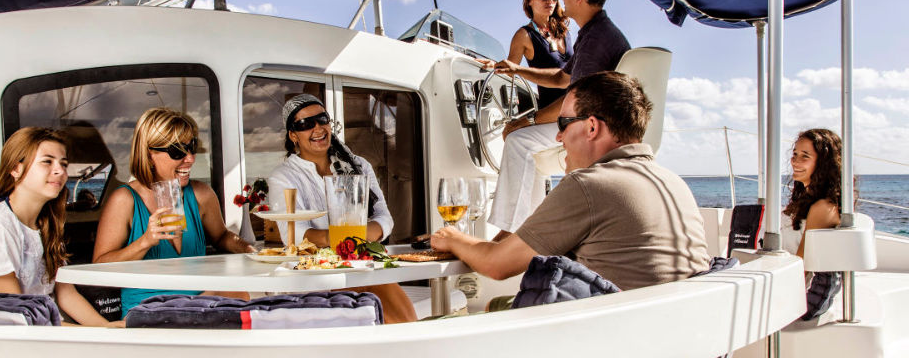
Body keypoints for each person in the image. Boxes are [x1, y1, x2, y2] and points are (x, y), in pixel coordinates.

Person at [431, 72, 710, 292]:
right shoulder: (674, 183)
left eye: (563, 124)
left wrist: (452, 238)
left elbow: (496, 265)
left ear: (591, 127)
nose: (558, 137)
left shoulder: (590, 185)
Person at [481, 0, 632, 237]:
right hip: (599, 121)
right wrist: (515, 70)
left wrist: (525, 121)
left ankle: (509, 230)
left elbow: (576, 99)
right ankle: (534, 226)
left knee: (518, 141)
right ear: (530, 1)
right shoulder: (595, 32)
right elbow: (563, 76)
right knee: (528, 147)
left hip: (589, 125)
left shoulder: (593, 38)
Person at [267, 93, 417, 323]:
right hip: (313, 274)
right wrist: (348, 238)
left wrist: (350, 241)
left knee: (403, 318)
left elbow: (384, 218)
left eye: (322, 119)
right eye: (305, 124)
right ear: (293, 135)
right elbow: (296, 236)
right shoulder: (283, 177)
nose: (317, 128)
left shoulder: (359, 166)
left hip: (359, 265)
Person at [93, 107, 255, 317]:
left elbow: (222, 236)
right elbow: (99, 267)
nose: (190, 159)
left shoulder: (201, 194)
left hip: (199, 302)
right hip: (148, 309)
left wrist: (253, 252)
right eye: (177, 151)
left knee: (240, 294)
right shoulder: (124, 200)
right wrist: (145, 241)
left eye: (192, 147)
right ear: (150, 154)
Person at [0, 127, 122, 327]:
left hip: (42, 330)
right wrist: (91, 334)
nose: (60, 170)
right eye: (47, 161)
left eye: (63, 164)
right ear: (15, 169)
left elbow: (66, 294)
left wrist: (106, 328)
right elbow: (20, 313)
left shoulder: (46, 225)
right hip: (11, 337)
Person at [506, 0, 572, 109]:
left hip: (578, 107)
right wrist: (493, 65)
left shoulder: (564, 31)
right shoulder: (524, 35)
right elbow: (509, 70)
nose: (550, 1)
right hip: (552, 113)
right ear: (529, 1)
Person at [782, 129, 844, 258]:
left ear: (824, 163)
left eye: (805, 156)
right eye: (795, 154)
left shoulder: (823, 208)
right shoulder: (808, 200)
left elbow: (804, 265)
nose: (795, 161)